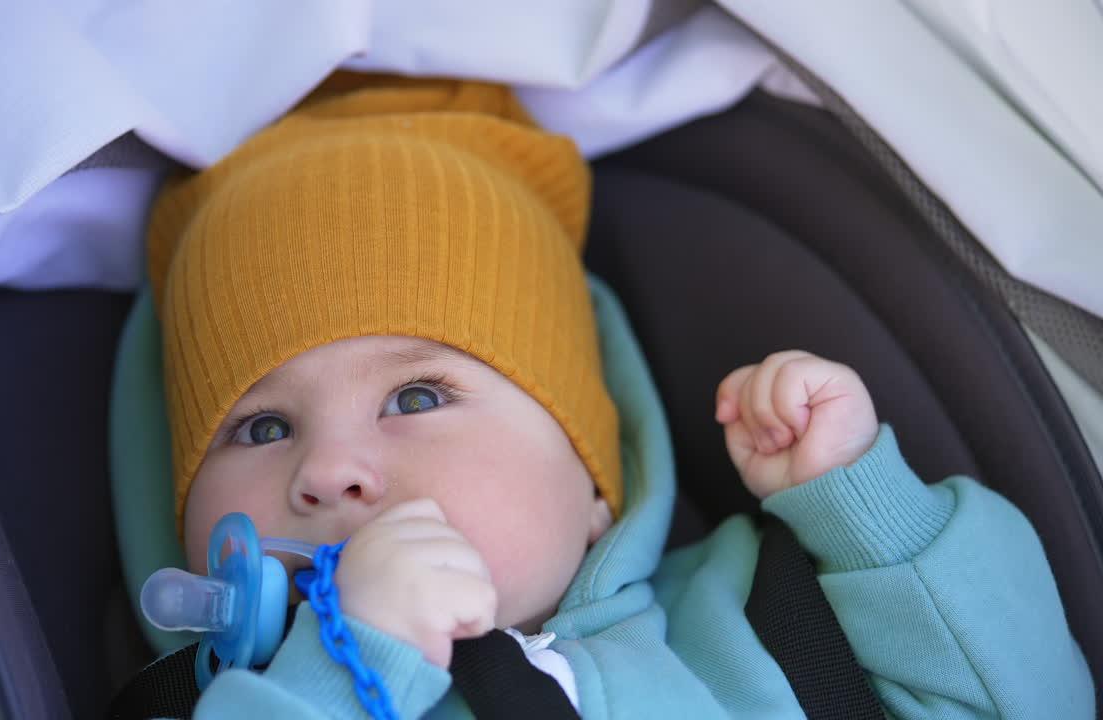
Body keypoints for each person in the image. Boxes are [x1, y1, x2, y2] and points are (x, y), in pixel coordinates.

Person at [143, 74, 1093, 718]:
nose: (329, 471)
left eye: (419, 397)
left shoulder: (762, 619)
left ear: (597, 473)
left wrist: (869, 519)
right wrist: (352, 668)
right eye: (262, 425)